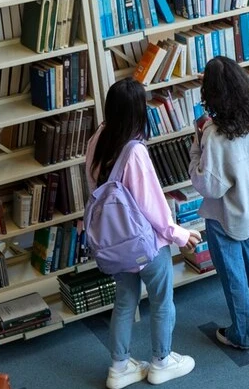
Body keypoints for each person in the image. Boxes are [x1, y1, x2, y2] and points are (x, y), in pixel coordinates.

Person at [86, 79, 200, 388]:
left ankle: (119, 367)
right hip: (145, 246)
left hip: (114, 244)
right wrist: (179, 234)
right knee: (162, 300)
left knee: (125, 301)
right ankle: (161, 362)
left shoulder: (97, 138)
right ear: (138, 112)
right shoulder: (134, 152)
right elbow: (153, 206)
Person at [188, 56, 249, 350]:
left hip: (225, 215)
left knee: (233, 276)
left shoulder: (214, 136)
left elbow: (210, 186)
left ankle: (243, 334)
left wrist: (196, 147)